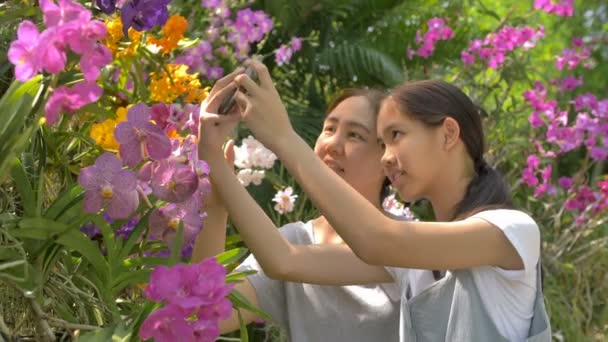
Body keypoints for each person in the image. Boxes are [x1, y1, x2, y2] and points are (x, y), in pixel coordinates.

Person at [200, 60, 552, 341]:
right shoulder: (410, 263)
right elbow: (283, 260)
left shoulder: (513, 231)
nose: (386, 157)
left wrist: (281, 136)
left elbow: (377, 239)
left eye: (395, 136)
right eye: (382, 142)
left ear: (448, 133)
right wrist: (213, 161)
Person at [193, 69, 400, 341]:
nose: (333, 145)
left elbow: (285, 261)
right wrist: (215, 200)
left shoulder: (411, 245)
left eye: (355, 135)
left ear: (388, 159)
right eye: (329, 129)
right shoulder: (294, 239)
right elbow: (204, 316)